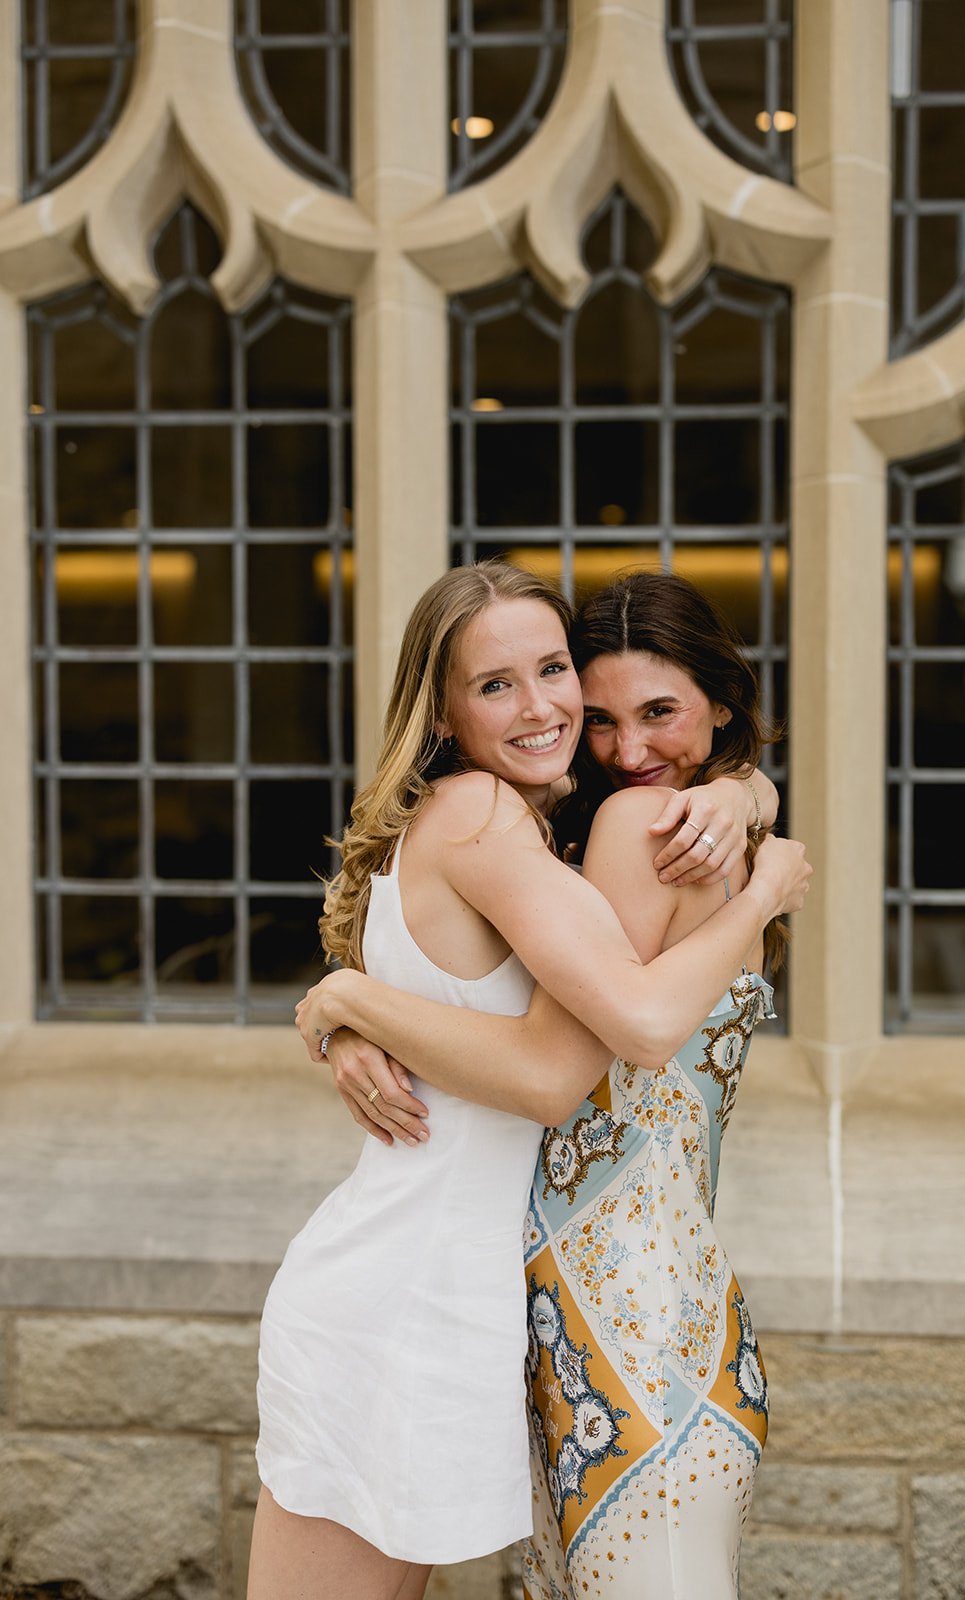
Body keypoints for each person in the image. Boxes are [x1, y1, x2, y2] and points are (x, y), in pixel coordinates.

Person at [249, 560, 809, 1600]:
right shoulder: (494, 819)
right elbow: (585, 1054)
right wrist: (764, 886)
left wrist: (746, 790)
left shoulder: (581, 832)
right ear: (444, 710)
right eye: (496, 684)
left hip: (569, 1315)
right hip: (436, 1294)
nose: (575, 722)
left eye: (552, 670)